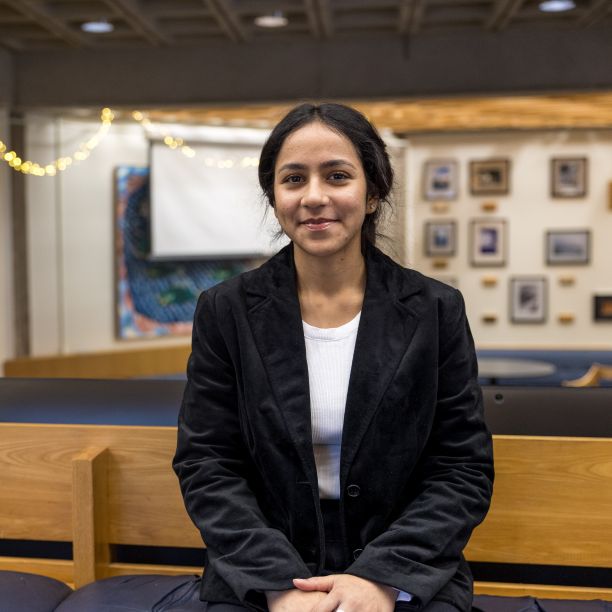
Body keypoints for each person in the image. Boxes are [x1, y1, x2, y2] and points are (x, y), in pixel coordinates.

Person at [173, 102, 494, 612]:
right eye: (294, 178)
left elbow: (461, 468)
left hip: (404, 568)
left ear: (372, 194)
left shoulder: (435, 309)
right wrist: (278, 585)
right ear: (274, 197)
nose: (315, 197)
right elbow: (208, 463)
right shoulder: (225, 310)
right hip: (263, 569)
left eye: (338, 176)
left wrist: (379, 580)